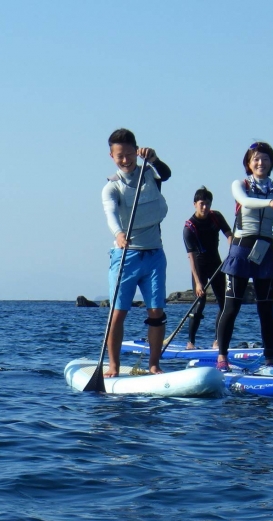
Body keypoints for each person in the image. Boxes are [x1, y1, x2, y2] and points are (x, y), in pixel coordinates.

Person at [215, 141, 273, 371]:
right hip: (241, 249)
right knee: (232, 307)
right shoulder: (240, 185)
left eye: (265, 159)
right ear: (249, 163)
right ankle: (222, 357)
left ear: (271, 163)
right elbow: (246, 202)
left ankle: (269, 359)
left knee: (266, 310)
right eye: (256, 159)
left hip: (266, 252)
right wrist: (269, 202)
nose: (261, 163)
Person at [101, 128, 172, 377]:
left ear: (136, 151)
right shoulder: (111, 188)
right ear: (112, 156)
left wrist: (153, 159)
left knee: (156, 311)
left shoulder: (149, 173)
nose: (125, 160)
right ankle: (113, 366)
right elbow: (110, 214)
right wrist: (119, 235)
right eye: (119, 156)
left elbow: (167, 174)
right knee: (118, 312)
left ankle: (153, 364)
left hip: (154, 254)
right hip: (126, 257)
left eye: (129, 154)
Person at [182, 186, 232, 350]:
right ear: (195, 204)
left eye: (208, 204)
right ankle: (191, 342)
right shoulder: (189, 227)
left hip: (216, 263)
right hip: (199, 266)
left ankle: (218, 340)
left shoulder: (215, 216)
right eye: (202, 204)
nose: (205, 207)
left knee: (224, 303)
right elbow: (190, 257)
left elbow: (229, 234)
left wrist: (231, 247)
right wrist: (198, 283)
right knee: (200, 303)